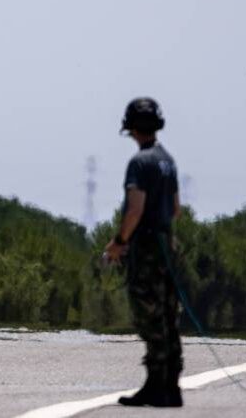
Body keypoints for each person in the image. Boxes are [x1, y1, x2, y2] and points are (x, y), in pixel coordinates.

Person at [104, 97, 183, 408]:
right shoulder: (168, 160)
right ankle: (171, 386)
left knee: (149, 316)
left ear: (132, 127)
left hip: (148, 247)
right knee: (168, 314)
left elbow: (134, 209)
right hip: (167, 244)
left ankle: (155, 386)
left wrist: (120, 241)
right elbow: (175, 209)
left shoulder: (140, 163)